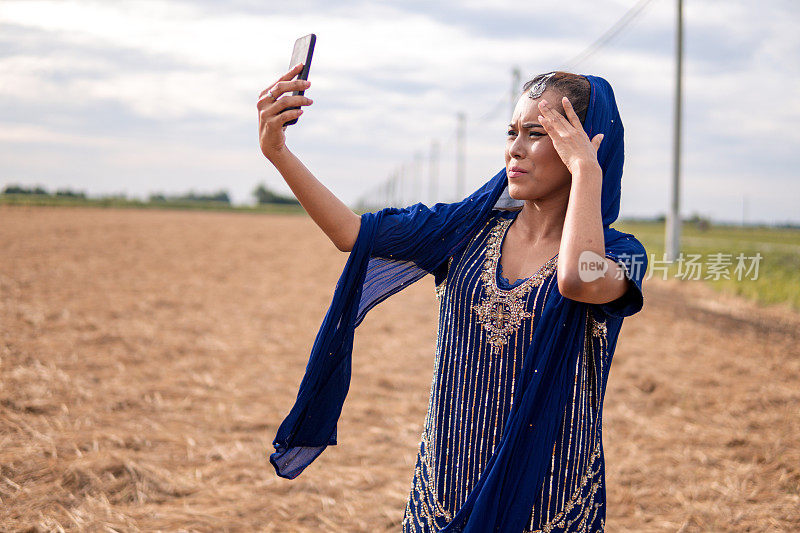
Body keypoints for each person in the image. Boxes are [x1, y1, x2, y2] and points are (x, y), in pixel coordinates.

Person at [259, 64, 648, 532]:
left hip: (549, 501)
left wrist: (587, 170)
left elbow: (576, 281)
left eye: (539, 134)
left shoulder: (621, 256)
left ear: (584, 142)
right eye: (511, 132)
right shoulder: (462, 231)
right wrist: (278, 153)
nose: (515, 149)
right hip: (443, 491)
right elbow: (350, 233)